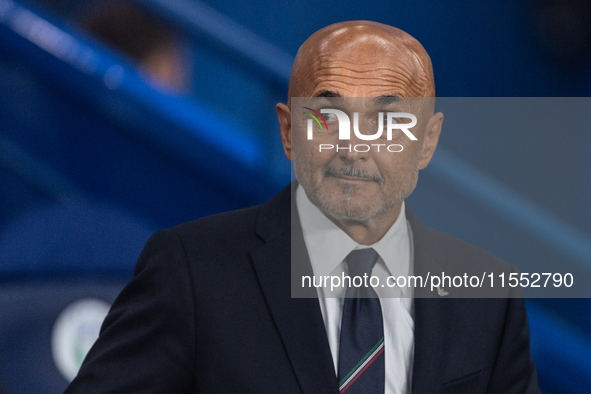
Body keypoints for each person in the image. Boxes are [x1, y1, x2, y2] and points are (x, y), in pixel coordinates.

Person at [65, 21, 540, 393]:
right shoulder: (190, 269)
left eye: (388, 120)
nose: (354, 145)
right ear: (289, 132)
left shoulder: (488, 295)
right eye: (328, 116)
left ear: (427, 141)